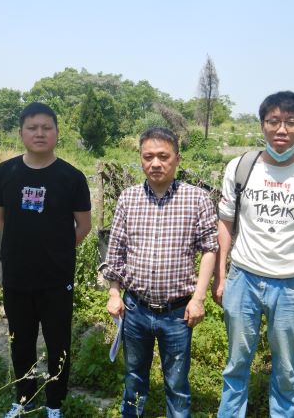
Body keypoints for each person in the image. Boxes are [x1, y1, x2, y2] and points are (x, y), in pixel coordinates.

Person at [213, 91, 294, 417]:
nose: (282, 129)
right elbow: (225, 224)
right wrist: (221, 276)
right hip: (244, 280)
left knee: (287, 369)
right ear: (262, 124)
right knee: (236, 363)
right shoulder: (241, 167)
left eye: (291, 122)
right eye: (273, 121)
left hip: (292, 286)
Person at [102, 127, 218, 418]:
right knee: (134, 376)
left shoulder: (197, 199)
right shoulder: (128, 199)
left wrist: (199, 299)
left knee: (177, 383)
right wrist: (114, 294)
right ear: (141, 159)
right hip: (135, 309)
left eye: (163, 156)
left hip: (177, 313)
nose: (155, 163)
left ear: (177, 159)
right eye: (148, 156)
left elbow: (210, 249)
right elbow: (115, 253)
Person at [0, 102, 91, 418]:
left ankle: (55, 403)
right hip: (17, 276)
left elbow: (84, 226)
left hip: (57, 278)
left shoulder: (71, 177)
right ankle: (24, 399)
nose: (40, 133)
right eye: (32, 128)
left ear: (57, 133)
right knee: (21, 341)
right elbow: (0, 220)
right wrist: (25, 247)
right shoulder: (5, 173)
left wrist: (56, 250)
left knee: (58, 343)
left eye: (47, 127)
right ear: (21, 133)